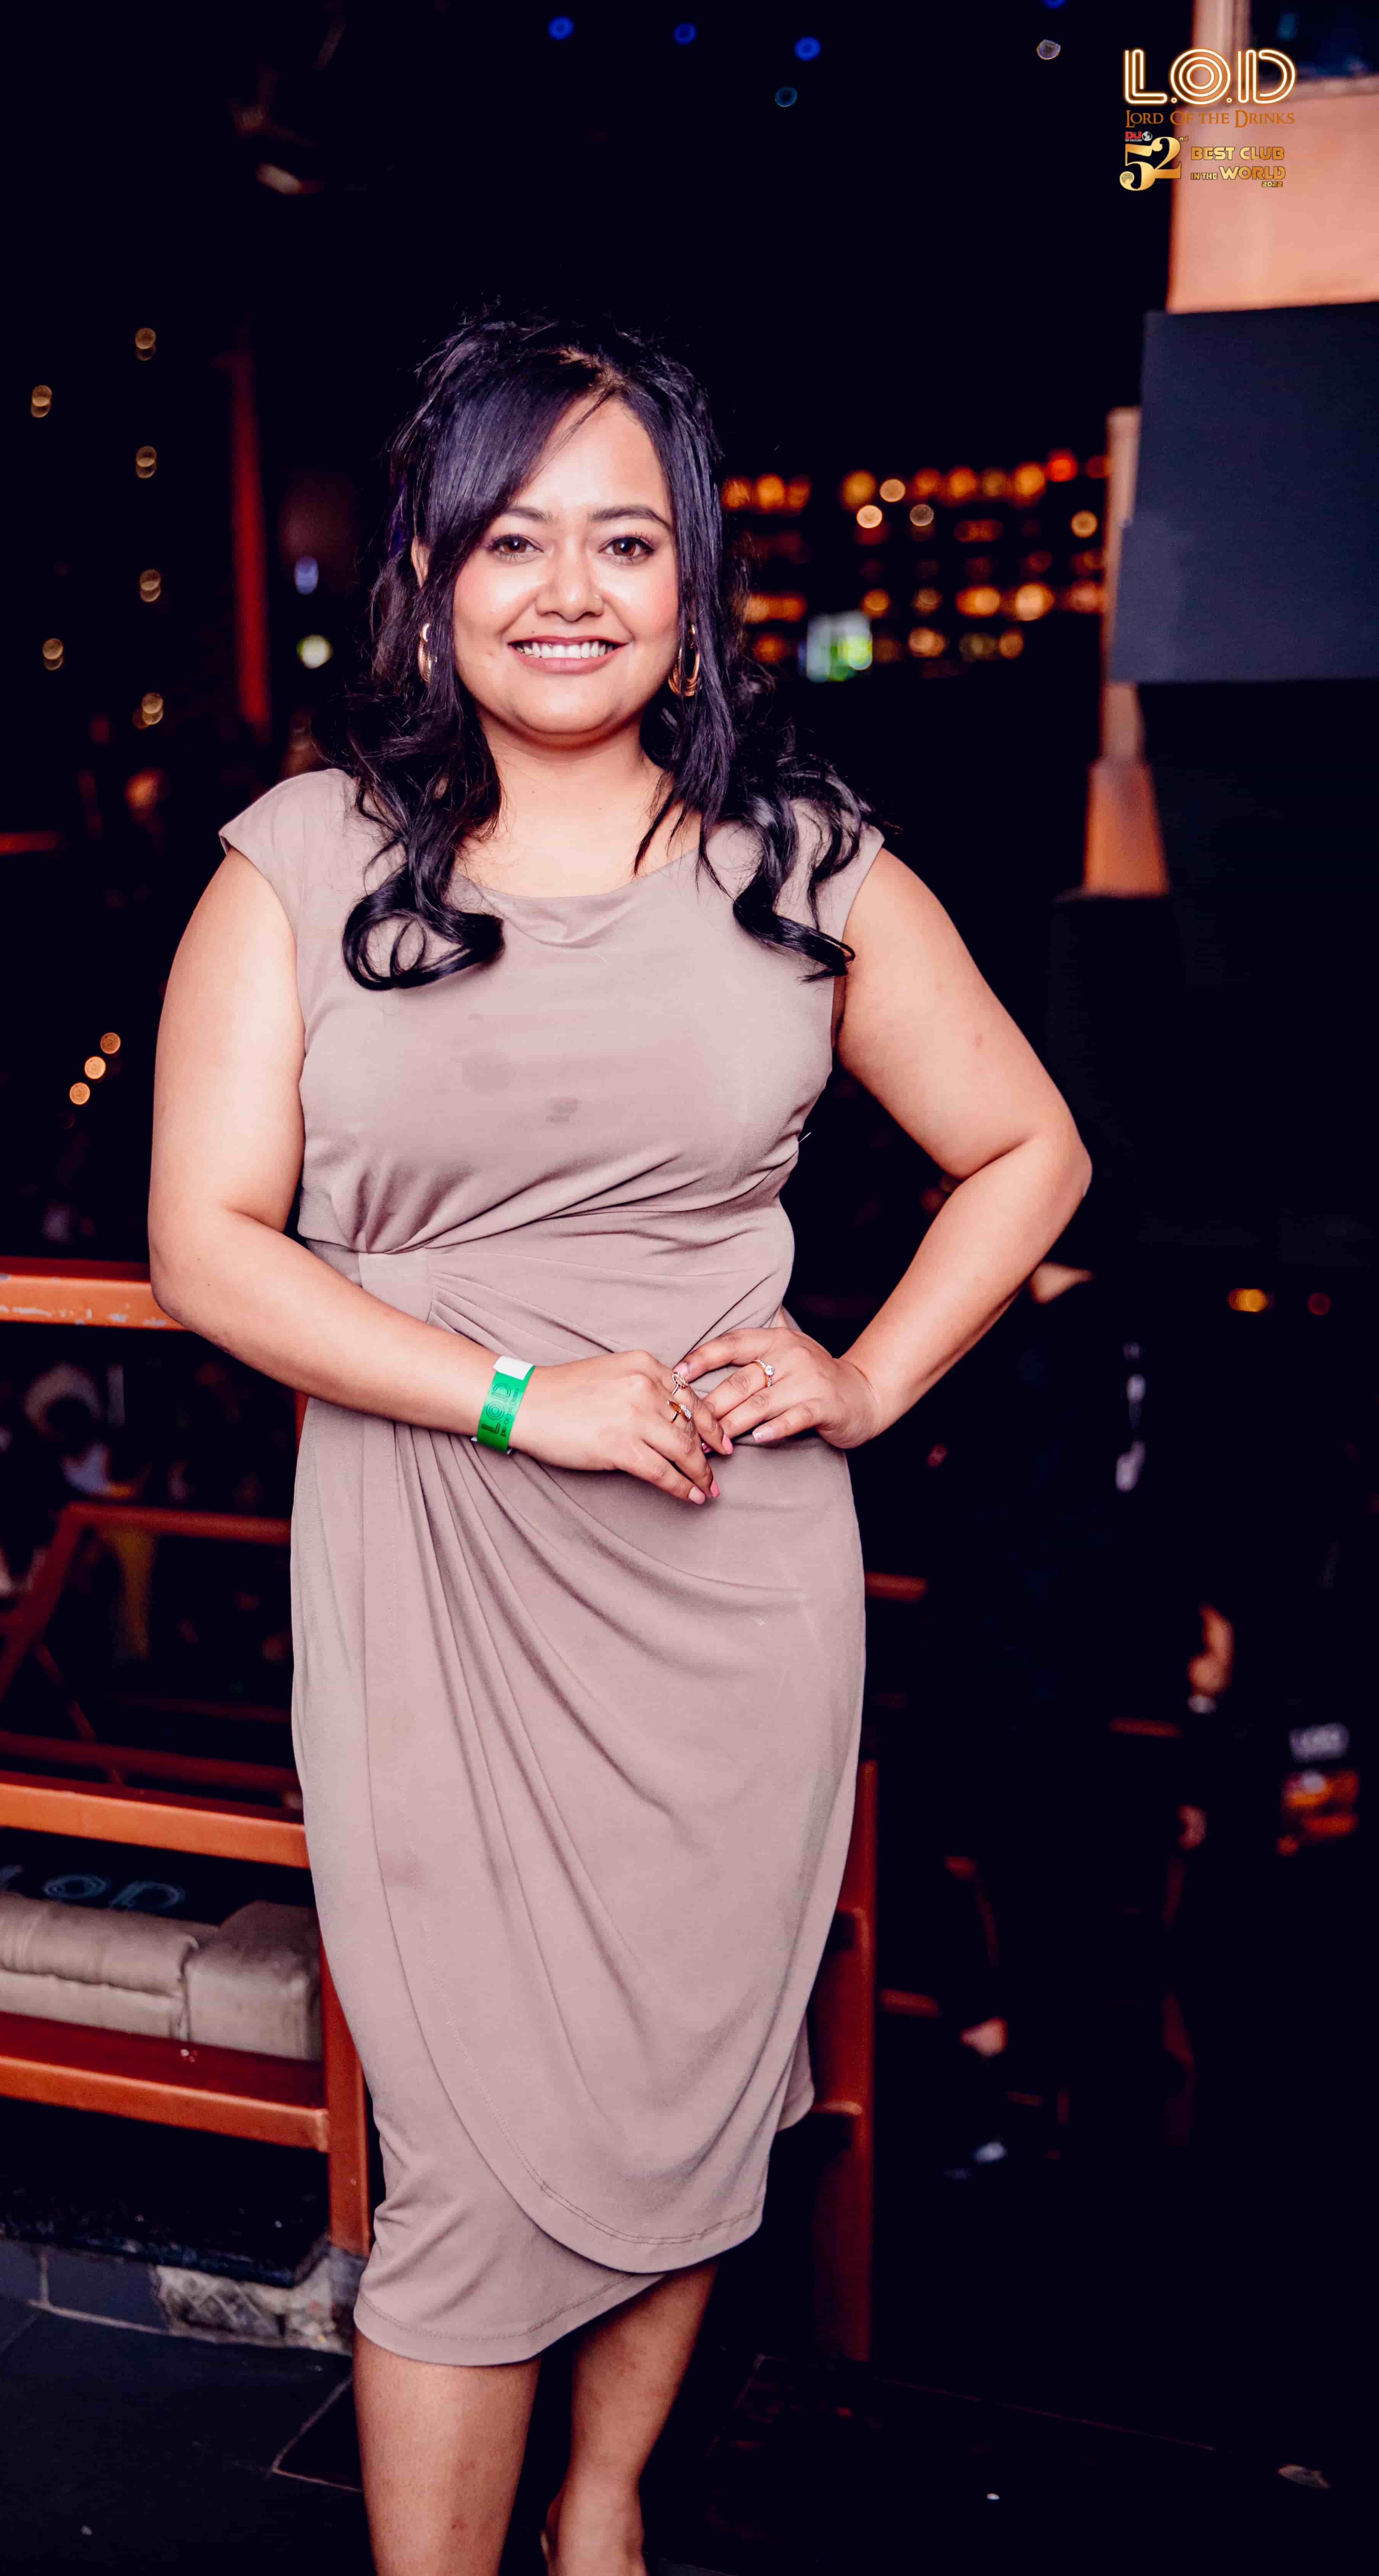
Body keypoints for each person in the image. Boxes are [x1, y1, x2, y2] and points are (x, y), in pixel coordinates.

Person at [148, 317, 1090, 2576]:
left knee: (697, 2087)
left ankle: (601, 2521)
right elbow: (203, 1244)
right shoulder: (302, 860)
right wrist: (513, 1391)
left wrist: (866, 1377)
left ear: (695, 583)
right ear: (430, 572)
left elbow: (1031, 1150)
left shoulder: (804, 864)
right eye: (513, 538)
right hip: (436, 1566)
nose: (569, 589)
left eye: (626, 540)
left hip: (729, 1576)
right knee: (474, 2165)